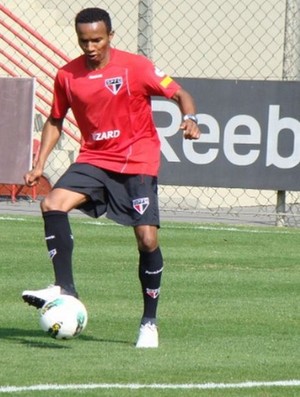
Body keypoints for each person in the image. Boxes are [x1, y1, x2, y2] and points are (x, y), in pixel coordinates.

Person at [22, 7, 200, 348]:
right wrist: (39, 163)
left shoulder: (136, 67)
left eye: (97, 40)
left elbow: (179, 94)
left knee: (147, 240)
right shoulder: (67, 75)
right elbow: (56, 119)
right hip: (95, 158)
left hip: (137, 160)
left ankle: (149, 321)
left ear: (111, 36)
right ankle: (65, 289)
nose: (90, 47)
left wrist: (191, 118)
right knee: (52, 203)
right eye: (84, 40)